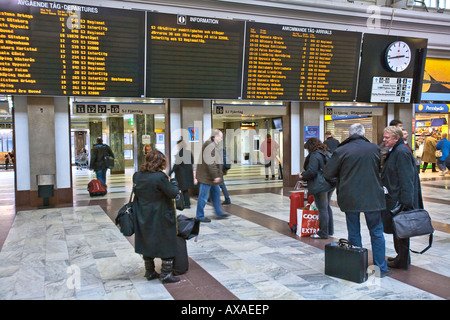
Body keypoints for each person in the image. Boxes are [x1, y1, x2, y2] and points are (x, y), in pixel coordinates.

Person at [323, 123, 390, 277]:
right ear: (363, 133)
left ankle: (357, 265)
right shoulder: (374, 149)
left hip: (350, 196)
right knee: (377, 232)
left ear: (349, 134)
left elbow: (328, 173)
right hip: (373, 196)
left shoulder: (341, 150)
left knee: (353, 231)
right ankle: (380, 267)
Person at [133, 150, 181, 283]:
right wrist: (174, 182)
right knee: (167, 241)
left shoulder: (137, 175)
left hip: (143, 214)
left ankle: (149, 272)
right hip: (161, 215)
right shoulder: (160, 177)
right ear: (160, 162)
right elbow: (172, 193)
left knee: (146, 240)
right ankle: (166, 274)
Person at [381, 126, 423, 270]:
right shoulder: (396, 151)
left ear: (396, 138)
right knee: (398, 230)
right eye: (384, 137)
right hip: (396, 198)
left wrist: (405, 203)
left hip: (400, 201)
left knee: (402, 231)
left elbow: (407, 179)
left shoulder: (401, 152)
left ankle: (403, 260)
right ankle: (401, 257)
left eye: (387, 137)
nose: (384, 140)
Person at [298, 138, 334, 239]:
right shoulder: (326, 152)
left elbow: (312, 171)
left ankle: (323, 232)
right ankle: (329, 230)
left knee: (322, 209)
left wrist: (302, 175)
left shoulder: (315, 155)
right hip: (330, 183)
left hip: (320, 184)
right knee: (327, 207)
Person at [194, 129, 230, 223]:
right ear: (215, 137)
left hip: (210, 177)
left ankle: (219, 212)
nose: (221, 139)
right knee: (203, 196)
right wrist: (215, 176)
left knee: (216, 192)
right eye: (220, 137)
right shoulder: (210, 145)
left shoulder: (212, 145)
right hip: (207, 177)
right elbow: (210, 163)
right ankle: (199, 216)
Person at [170, 138, 194, 208]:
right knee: (185, 189)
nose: (177, 146)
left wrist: (170, 173)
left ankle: (186, 203)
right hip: (188, 174)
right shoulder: (189, 152)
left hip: (181, 174)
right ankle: (186, 202)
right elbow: (192, 162)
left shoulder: (180, 153)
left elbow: (176, 164)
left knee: (184, 189)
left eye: (177, 145)